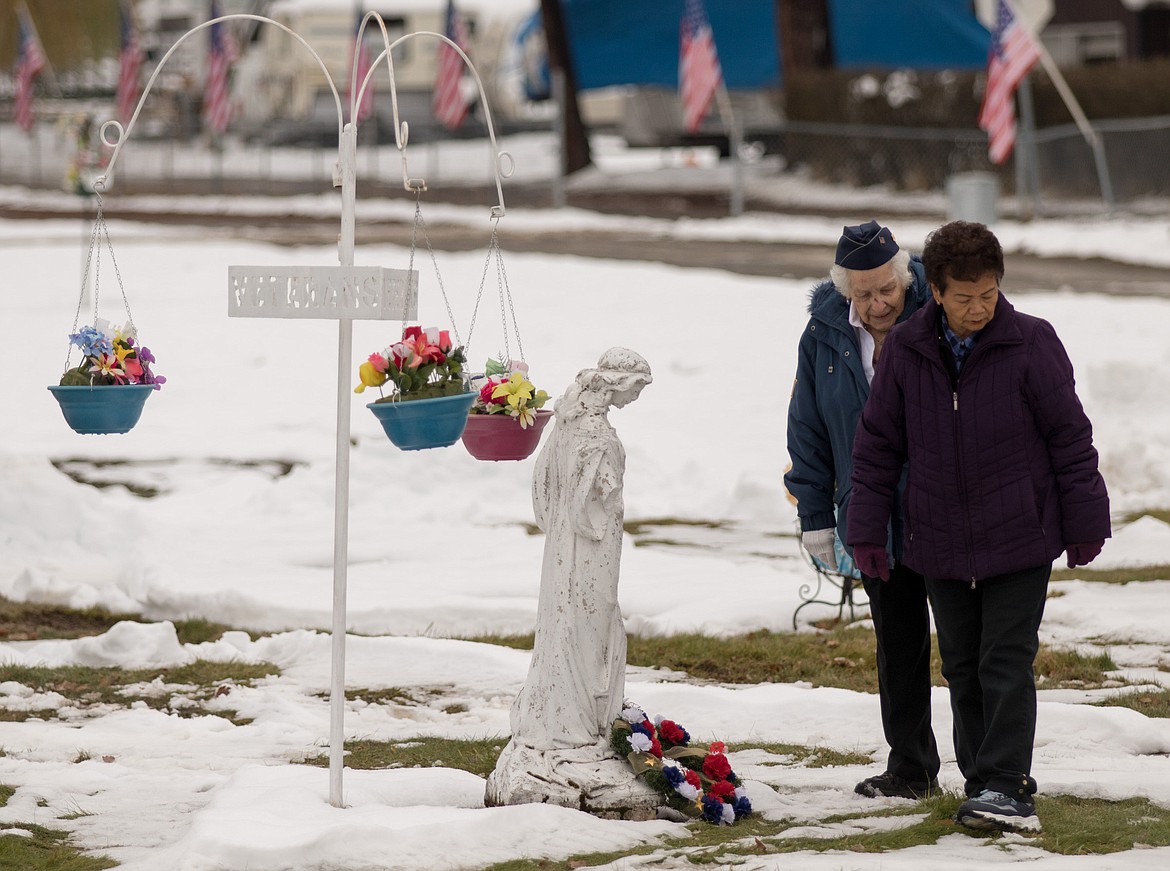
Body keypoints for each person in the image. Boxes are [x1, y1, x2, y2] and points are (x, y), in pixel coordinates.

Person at [847, 220, 1110, 834]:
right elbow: (878, 446)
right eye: (964, 297)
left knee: (1005, 660)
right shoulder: (908, 350)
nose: (978, 308)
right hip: (938, 539)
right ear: (934, 291)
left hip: (1020, 535)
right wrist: (865, 531)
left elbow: (1070, 437)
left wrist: (1084, 519)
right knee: (962, 664)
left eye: (988, 294)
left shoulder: (1031, 342)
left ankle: (1007, 784)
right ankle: (982, 780)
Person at [785, 220, 940, 800]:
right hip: (871, 513)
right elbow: (809, 426)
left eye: (887, 291)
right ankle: (910, 767)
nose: (877, 305)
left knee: (966, 645)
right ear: (844, 290)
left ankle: (989, 772)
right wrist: (817, 514)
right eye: (863, 294)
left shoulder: (938, 315)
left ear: (905, 277)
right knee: (896, 641)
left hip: (941, 506)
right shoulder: (823, 333)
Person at [486, 348, 654, 810]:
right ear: (620, 383)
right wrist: (606, 494)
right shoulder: (594, 434)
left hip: (564, 547)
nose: (639, 396)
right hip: (589, 551)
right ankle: (574, 726)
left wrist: (563, 516)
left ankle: (562, 715)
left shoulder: (566, 424)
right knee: (587, 625)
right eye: (638, 387)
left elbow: (542, 487)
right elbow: (592, 501)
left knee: (567, 623)